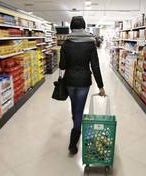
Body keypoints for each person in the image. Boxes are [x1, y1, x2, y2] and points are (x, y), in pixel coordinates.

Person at [59, 16, 106, 155]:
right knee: (79, 109)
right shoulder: (91, 43)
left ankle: (75, 130)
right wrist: (101, 86)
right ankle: (73, 139)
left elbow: (62, 65)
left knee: (75, 108)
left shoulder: (66, 43)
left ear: (71, 27)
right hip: (84, 81)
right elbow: (95, 66)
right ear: (84, 27)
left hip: (70, 81)